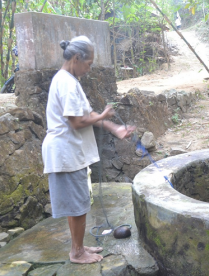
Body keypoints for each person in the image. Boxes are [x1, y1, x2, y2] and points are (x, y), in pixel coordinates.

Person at [42, 35, 135, 264]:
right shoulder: (65, 83)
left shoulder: (70, 81)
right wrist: (103, 116)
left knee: (79, 204)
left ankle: (79, 246)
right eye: (89, 64)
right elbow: (76, 121)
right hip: (65, 152)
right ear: (76, 58)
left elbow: (88, 115)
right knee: (78, 205)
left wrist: (114, 128)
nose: (90, 68)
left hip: (70, 152)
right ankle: (77, 252)